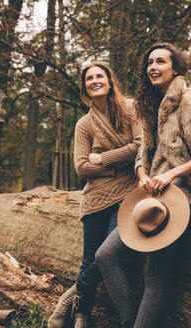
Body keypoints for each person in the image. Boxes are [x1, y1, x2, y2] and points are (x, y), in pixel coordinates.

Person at [95, 42, 191, 328]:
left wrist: (171, 175)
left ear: (176, 67)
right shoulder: (149, 106)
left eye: (160, 62)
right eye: (150, 62)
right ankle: (129, 322)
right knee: (105, 255)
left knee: (156, 273)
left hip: (182, 196)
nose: (153, 67)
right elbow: (142, 155)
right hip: (149, 195)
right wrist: (141, 173)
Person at [48, 61, 141, 328]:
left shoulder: (130, 109)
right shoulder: (83, 124)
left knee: (105, 254)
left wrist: (102, 158)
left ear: (110, 81)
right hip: (94, 198)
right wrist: (116, 167)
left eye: (100, 76)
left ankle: (67, 301)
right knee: (89, 259)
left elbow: (139, 146)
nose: (95, 81)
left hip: (128, 195)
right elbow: (80, 168)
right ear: (85, 87)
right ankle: (82, 315)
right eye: (89, 79)